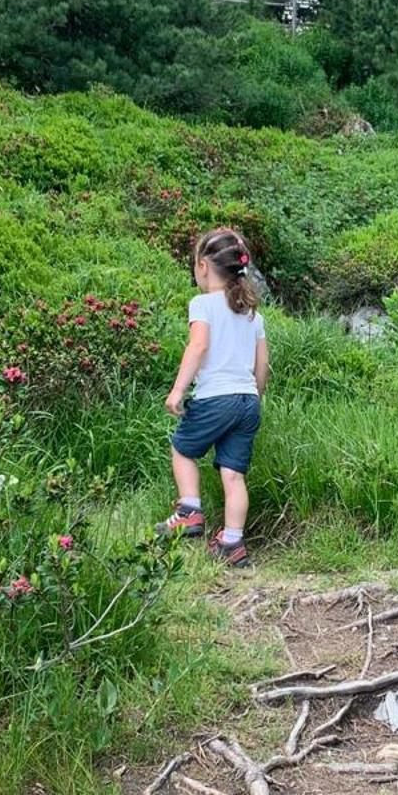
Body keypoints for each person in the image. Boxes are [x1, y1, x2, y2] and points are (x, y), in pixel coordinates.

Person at [157, 227, 269, 567]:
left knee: (182, 449)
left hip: (215, 397)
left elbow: (199, 345)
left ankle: (189, 510)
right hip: (248, 401)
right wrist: (253, 398)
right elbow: (262, 365)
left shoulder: (202, 304)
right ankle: (232, 544)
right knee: (234, 475)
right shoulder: (253, 314)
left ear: (203, 266)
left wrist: (178, 389)